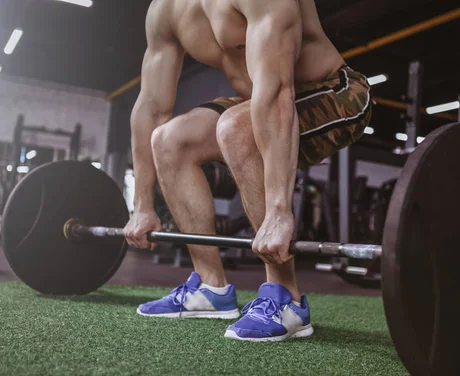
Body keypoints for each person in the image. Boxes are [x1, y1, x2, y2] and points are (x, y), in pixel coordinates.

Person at [123, 0, 372, 342]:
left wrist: (279, 211)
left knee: (236, 129)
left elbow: (277, 89)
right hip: (258, 100)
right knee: (169, 140)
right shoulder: (165, 10)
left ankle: (286, 300)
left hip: (337, 91)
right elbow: (151, 107)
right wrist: (143, 206)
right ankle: (211, 289)